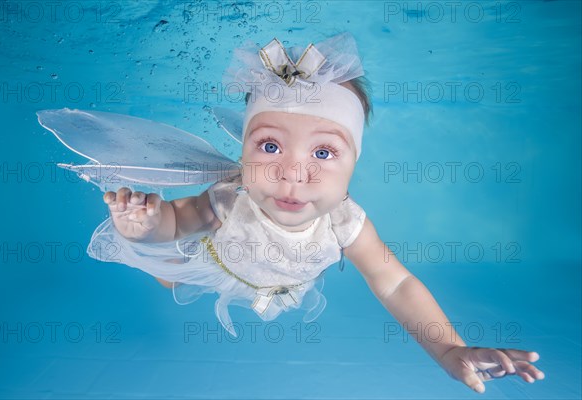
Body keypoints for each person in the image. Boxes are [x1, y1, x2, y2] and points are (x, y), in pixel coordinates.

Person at [44, 32, 545, 393]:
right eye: (269, 147)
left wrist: (449, 349)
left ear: (354, 163)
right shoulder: (229, 196)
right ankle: (166, 273)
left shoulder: (347, 222)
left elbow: (395, 284)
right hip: (218, 262)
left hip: (280, 283)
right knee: (171, 267)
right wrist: (150, 226)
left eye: (323, 153)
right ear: (243, 151)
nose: (292, 174)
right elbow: (179, 220)